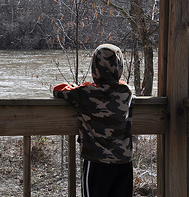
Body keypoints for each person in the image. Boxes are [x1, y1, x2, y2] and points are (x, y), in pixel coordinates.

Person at [53, 43, 134, 197]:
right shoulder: (126, 91)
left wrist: (84, 85)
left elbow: (58, 89)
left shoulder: (85, 93)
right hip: (124, 161)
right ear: (120, 67)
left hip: (97, 162)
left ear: (94, 68)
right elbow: (117, 86)